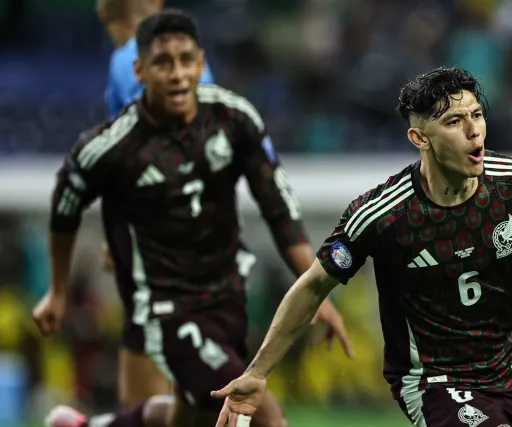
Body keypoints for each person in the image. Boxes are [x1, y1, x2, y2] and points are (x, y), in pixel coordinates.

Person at [210, 67, 512, 427]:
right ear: (418, 138)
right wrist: (258, 372)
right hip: (432, 380)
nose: (473, 130)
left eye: (477, 115)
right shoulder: (382, 214)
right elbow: (312, 287)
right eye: (453, 122)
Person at [33, 9, 353, 427]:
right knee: (261, 414)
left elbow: (279, 209)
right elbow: (65, 206)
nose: (178, 74)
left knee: (193, 416)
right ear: (140, 70)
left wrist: (314, 286)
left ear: (201, 63)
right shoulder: (111, 147)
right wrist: (57, 290)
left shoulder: (235, 119)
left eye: (186, 61)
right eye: (163, 63)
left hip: (225, 290)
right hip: (164, 303)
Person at [97, 0, 217, 408]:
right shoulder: (177, 63)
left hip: (169, 251)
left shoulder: (137, 59)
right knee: (181, 395)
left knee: (156, 400)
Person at [99, 0, 214, 119]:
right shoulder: (188, 51)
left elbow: (158, 120)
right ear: (159, 3)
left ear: (103, 13)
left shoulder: (125, 58)